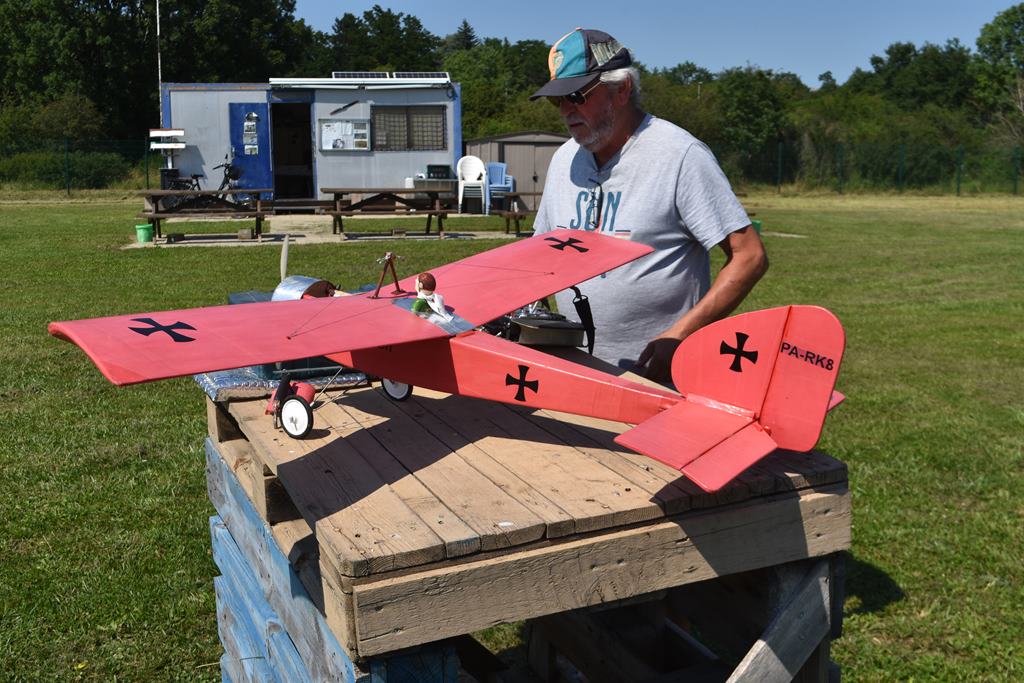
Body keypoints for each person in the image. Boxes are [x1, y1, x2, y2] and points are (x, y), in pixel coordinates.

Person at [530, 28, 768, 385]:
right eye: (556, 100)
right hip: (571, 375)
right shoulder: (564, 160)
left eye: (576, 96)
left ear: (622, 89)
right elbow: (539, 253)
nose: (565, 110)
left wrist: (680, 335)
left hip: (658, 380)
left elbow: (749, 256)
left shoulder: (680, 156)